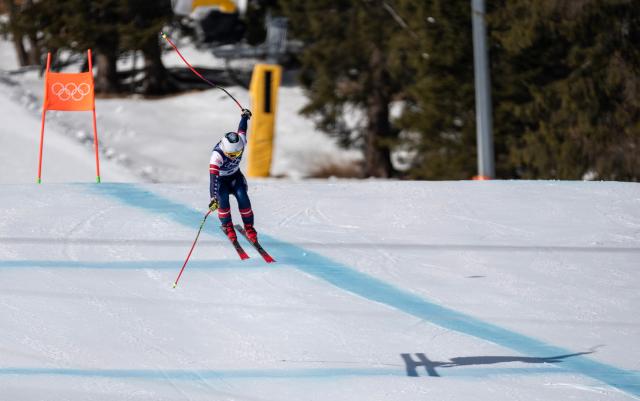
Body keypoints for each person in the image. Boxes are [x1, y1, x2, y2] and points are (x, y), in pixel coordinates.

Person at [208, 108, 257, 242]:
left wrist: (245, 116)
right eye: (231, 155)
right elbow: (213, 180)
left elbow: (242, 129)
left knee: (244, 200)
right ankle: (227, 226)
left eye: (238, 153)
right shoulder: (216, 156)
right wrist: (213, 198)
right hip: (222, 181)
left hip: (235, 177)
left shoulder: (240, 141)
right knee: (223, 202)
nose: (234, 157)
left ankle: (249, 227)